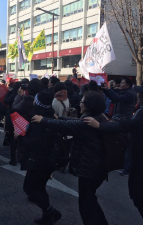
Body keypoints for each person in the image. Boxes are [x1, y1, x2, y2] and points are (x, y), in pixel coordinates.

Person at [86, 83, 143, 225]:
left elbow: (126, 126)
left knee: (141, 200)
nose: (137, 95)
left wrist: (100, 125)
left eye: (139, 93)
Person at [32, 92, 109, 225]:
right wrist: (59, 118)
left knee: (86, 204)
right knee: (90, 200)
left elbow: (69, 127)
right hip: (98, 167)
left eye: (82, 101)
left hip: (90, 168)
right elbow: (75, 122)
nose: (80, 103)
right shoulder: (98, 118)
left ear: (89, 105)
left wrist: (43, 120)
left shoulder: (88, 123)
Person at [18, 91, 62, 225]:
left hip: (38, 160)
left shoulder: (38, 120)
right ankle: (47, 217)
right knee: (40, 188)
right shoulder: (51, 116)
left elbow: (34, 143)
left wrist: (19, 137)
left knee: (30, 188)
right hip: (49, 159)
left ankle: (51, 212)